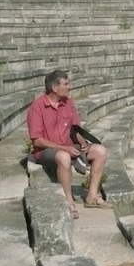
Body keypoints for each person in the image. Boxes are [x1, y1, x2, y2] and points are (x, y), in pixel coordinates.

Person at [27, 69, 112, 219]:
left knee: (100, 151)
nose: (69, 87)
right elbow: (37, 140)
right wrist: (64, 148)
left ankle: (92, 196)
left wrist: (83, 142)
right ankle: (68, 201)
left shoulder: (68, 103)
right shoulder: (37, 107)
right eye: (66, 84)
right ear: (54, 88)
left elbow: (74, 129)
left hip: (68, 146)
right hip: (46, 150)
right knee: (64, 157)